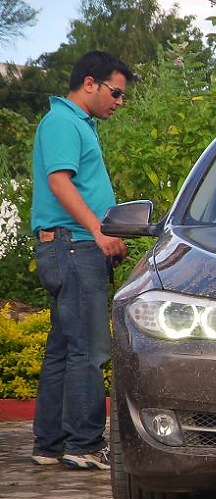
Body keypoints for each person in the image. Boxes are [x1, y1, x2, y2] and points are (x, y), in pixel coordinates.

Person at [30, 50, 133, 470]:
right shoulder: (62, 122)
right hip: (73, 247)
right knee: (89, 348)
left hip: (69, 246)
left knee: (64, 347)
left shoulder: (74, 124)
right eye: (115, 92)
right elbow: (59, 181)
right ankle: (85, 445)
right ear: (89, 83)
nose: (119, 101)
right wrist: (97, 228)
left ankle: (50, 444)